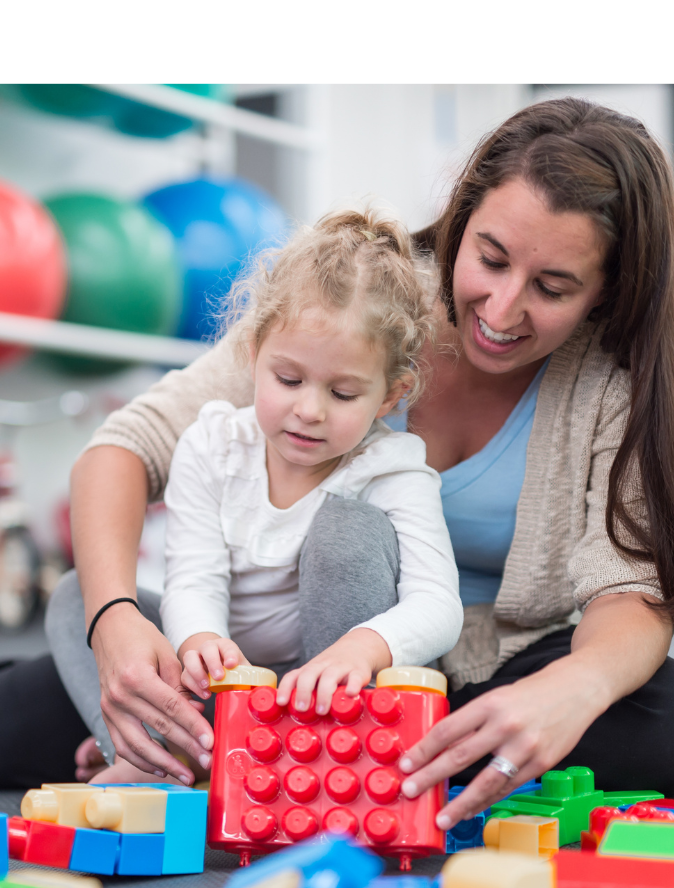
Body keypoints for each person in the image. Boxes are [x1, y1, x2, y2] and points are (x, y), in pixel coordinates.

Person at [0, 97, 674, 828]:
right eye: (490, 257)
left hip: (465, 668)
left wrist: (566, 692)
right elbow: (124, 450)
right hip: (260, 648)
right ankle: (241, 746)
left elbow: (631, 592)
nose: (504, 308)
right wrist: (114, 626)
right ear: (462, 215)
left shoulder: (610, 383)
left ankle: (283, 759)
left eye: (552, 286)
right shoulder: (352, 306)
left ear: (606, 294)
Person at [89, 208, 462, 784]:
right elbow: (193, 578)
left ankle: (317, 757)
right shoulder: (212, 443)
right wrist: (201, 641)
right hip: (232, 688)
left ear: (392, 395)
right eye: (288, 380)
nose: (308, 410)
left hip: (341, 688)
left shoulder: (392, 467)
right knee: (82, 601)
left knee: (349, 533)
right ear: (254, 352)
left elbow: (438, 606)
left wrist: (361, 650)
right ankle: (164, 750)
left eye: (342, 393)